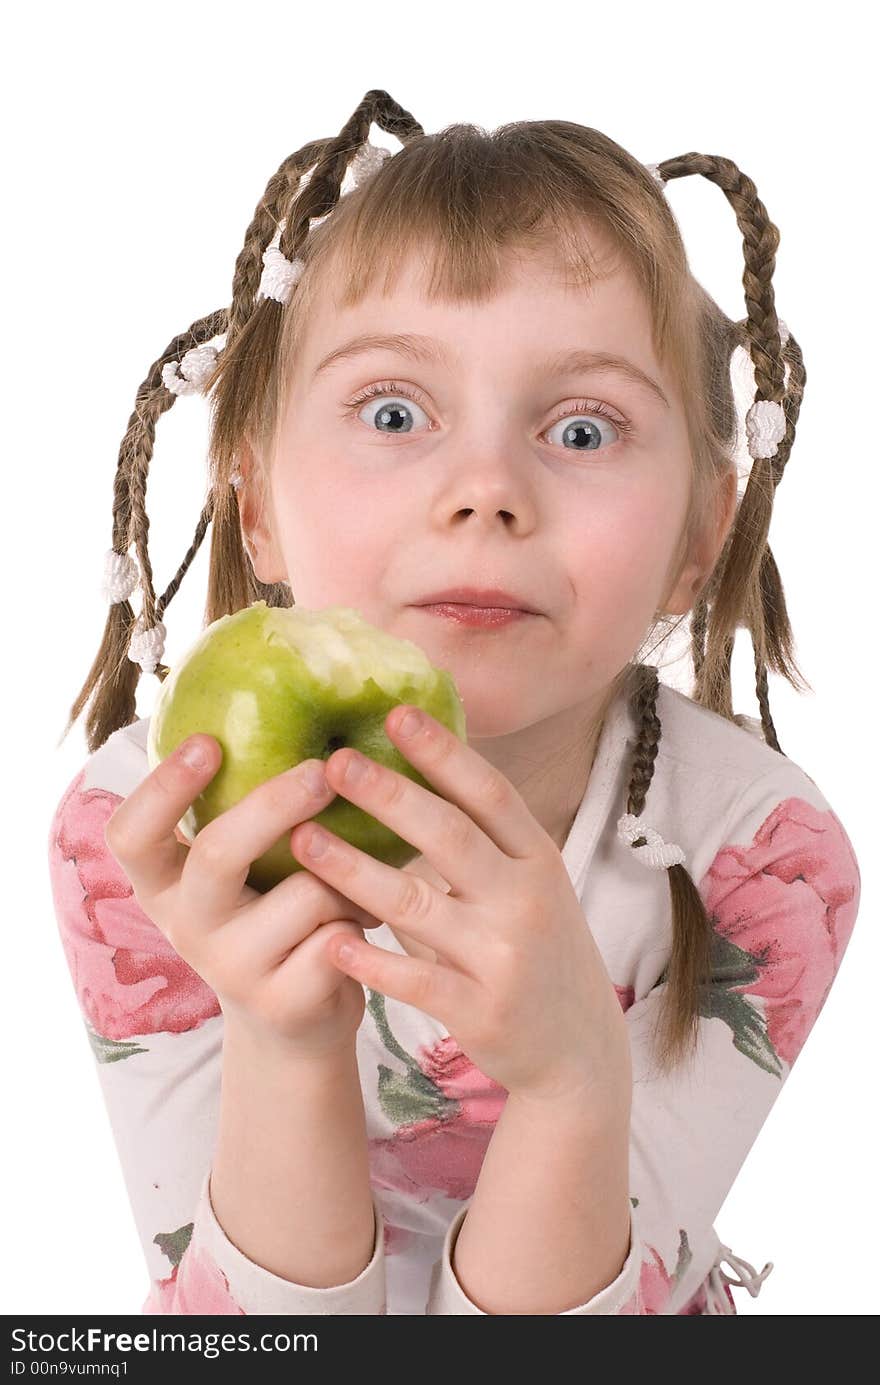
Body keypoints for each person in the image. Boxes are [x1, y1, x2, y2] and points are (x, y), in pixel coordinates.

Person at [47, 89, 861, 1316]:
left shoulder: (760, 858)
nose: (485, 489)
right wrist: (287, 1040)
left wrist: (571, 1086)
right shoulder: (148, 831)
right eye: (392, 412)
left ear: (702, 536)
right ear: (254, 497)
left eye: (582, 429)